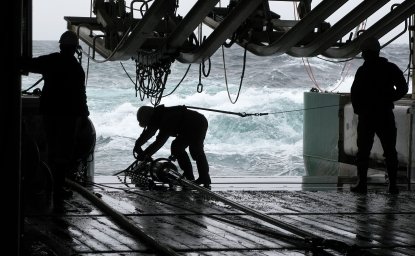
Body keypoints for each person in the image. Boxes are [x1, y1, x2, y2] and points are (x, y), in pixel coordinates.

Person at [21, 31, 90, 200]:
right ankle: (57, 188)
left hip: (50, 113)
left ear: (60, 46)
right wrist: (84, 116)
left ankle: (50, 185)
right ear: (75, 48)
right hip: (68, 116)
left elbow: (30, 64)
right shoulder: (76, 69)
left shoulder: (51, 61)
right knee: (63, 152)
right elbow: (81, 96)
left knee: (52, 149)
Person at [350, 37, 408, 194]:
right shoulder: (390, 68)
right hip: (385, 114)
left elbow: (354, 93)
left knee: (363, 151)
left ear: (366, 53)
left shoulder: (363, 71)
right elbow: (403, 87)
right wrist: (391, 98)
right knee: (390, 150)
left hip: (367, 116)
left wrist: (359, 110)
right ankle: (393, 185)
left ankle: (362, 184)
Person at [133, 105, 211, 188]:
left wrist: (145, 155)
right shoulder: (156, 116)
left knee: (196, 150)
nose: (147, 125)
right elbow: (149, 132)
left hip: (197, 123)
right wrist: (137, 145)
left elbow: (159, 142)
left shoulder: (166, 118)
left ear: (148, 117)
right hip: (186, 128)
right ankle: (189, 176)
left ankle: (204, 178)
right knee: (176, 147)